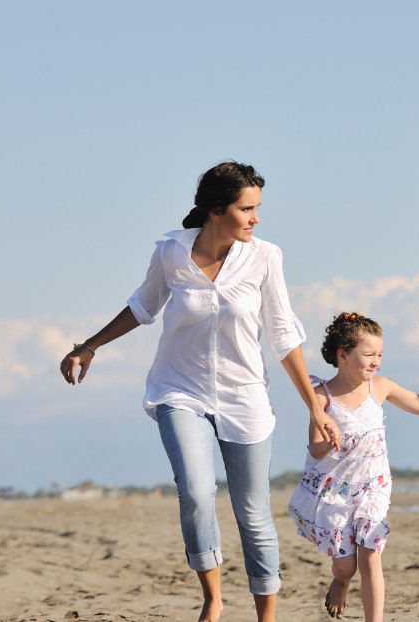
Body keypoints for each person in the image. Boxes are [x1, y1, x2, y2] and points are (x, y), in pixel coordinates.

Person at [59, 161, 340, 622]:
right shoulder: (172, 251)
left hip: (244, 395)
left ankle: (265, 617)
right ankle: (213, 597)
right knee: (195, 491)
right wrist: (88, 346)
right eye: (246, 209)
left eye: (257, 208)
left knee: (252, 513)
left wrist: (315, 407)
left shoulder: (266, 257)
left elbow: (284, 336)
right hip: (180, 389)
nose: (256, 218)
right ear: (216, 210)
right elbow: (143, 306)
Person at [288, 312, 419, 622]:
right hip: (335, 491)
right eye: (368, 354)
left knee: (371, 556)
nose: (376, 362)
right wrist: (330, 442)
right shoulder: (322, 396)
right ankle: (341, 581)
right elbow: (315, 451)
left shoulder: (380, 387)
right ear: (343, 355)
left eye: (379, 355)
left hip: (373, 487)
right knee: (346, 567)